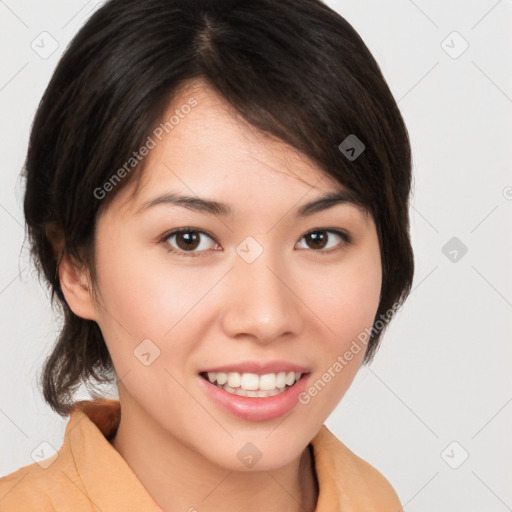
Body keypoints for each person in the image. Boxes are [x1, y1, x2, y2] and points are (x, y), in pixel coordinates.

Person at [0, 0, 414, 510]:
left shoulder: (374, 499)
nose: (265, 317)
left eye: (319, 237)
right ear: (77, 267)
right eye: (189, 239)